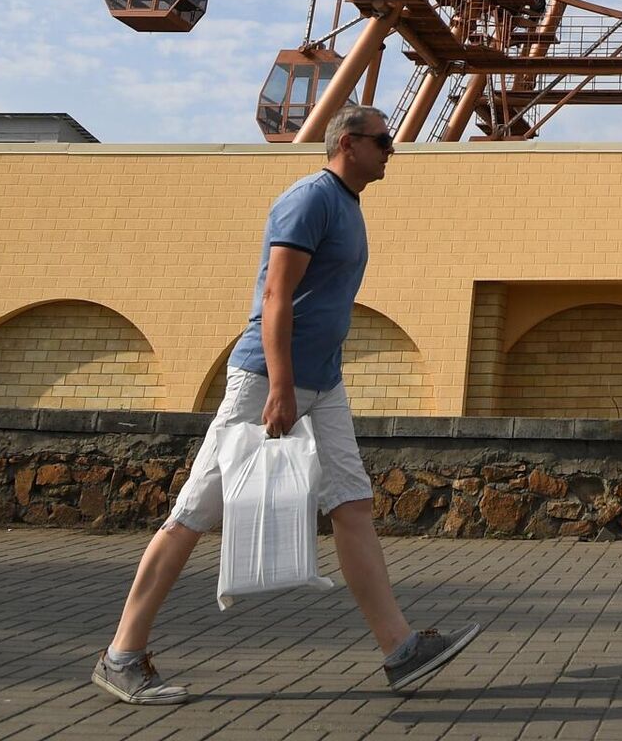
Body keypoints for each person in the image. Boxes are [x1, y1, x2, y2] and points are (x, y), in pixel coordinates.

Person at [93, 104, 479, 703]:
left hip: (323, 383)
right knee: (195, 512)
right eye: (383, 140)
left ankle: (401, 649)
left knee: (352, 503)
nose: (391, 150)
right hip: (268, 380)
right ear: (348, 143)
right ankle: (122, 654)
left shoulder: (348, 206)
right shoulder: (310, 199)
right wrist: (278, 387)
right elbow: (276, 296)